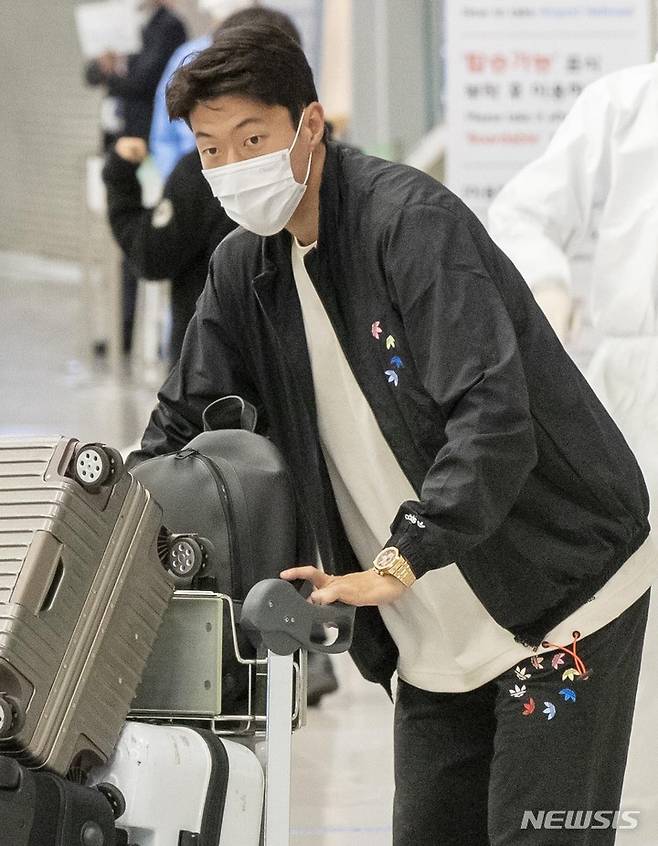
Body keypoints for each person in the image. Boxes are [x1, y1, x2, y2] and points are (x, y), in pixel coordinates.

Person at [128, 24, 657, 844]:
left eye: (253, 139)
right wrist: (113, 520)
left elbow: (494, 418)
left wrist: (400, 554)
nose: (231, 168)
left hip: (564, 590)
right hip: (427, 623)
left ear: (310, 124)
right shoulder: (243, 271)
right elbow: (179, 422)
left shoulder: (407, 225)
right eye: (210, 149)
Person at [487, 57, 658, 843]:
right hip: (635, 397)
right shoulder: (627, 104)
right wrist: (548, 292)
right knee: (631, 648)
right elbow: (523, 213)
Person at [85, 0, 187, 353]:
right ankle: (117, 330)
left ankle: (133, 333)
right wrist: (107, 66)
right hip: (115, 143)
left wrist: (117, 69)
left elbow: (147, 80)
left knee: (139, 237)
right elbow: (91, 74)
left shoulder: (169, 27)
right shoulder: (121, 22)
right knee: (114, 241)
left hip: (145, 148)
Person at [102, 139, 236, 365]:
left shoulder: (202, 170)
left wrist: (120, 178)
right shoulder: (299, 167)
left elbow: (151, 254)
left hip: (207, 371)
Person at [149, 3, 302, 179]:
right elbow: (164, 136)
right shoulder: (186, 57)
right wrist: (179, 182)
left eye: (253, 139)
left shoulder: (274, 41)